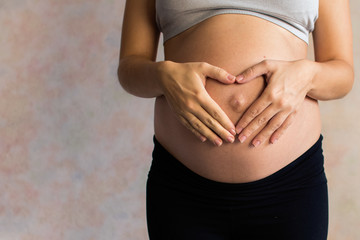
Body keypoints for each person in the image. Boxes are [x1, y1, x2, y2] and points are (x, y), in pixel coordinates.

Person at [118, 0, 354, 239]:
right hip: (183, 188)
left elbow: (343, 73)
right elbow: (129, 68)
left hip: (291, 187)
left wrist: (307, 75)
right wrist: (162, 76)